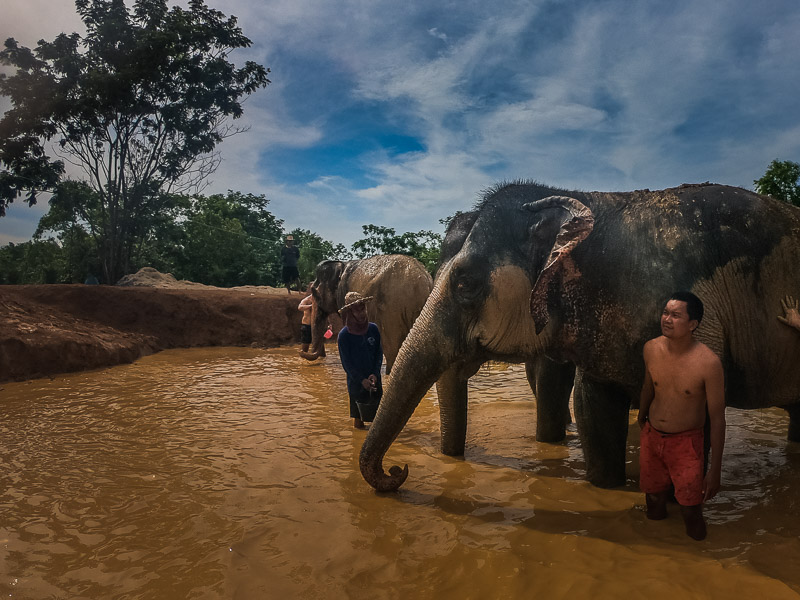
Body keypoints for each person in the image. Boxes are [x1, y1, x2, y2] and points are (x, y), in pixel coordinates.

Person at [637, 291, 726, 540]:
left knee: (690, 510)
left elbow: (718, 418)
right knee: (653, 501)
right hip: (652, 437)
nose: (667, 319)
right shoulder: (651, 349)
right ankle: (654, 558)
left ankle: (698, 564)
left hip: (686, 444)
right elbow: (648, 387)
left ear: (693, 324)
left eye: (676, 315)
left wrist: (715, 470)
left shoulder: (708, 363)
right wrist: (642, 416)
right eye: (665, 312)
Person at [337, 291, 383, 430]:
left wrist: (375, 373)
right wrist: (361, 380)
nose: (361, 313)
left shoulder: (373, 329)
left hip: (374, 379)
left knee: (380, 418)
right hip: (356, 383)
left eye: (363, 308)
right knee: (358, 421)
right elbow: (346, 364)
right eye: (357, 310)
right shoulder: (344, 336)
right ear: (350, 312)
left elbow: (379, 354)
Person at [298, 289, 314, 354]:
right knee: (305, 345)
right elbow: (299, 307)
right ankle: (303, 359)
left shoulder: (320, 300)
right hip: (307, 325)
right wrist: (310, 306)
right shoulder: (307, 300)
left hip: (316, 326)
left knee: (319, 344)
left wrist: (329, 324)